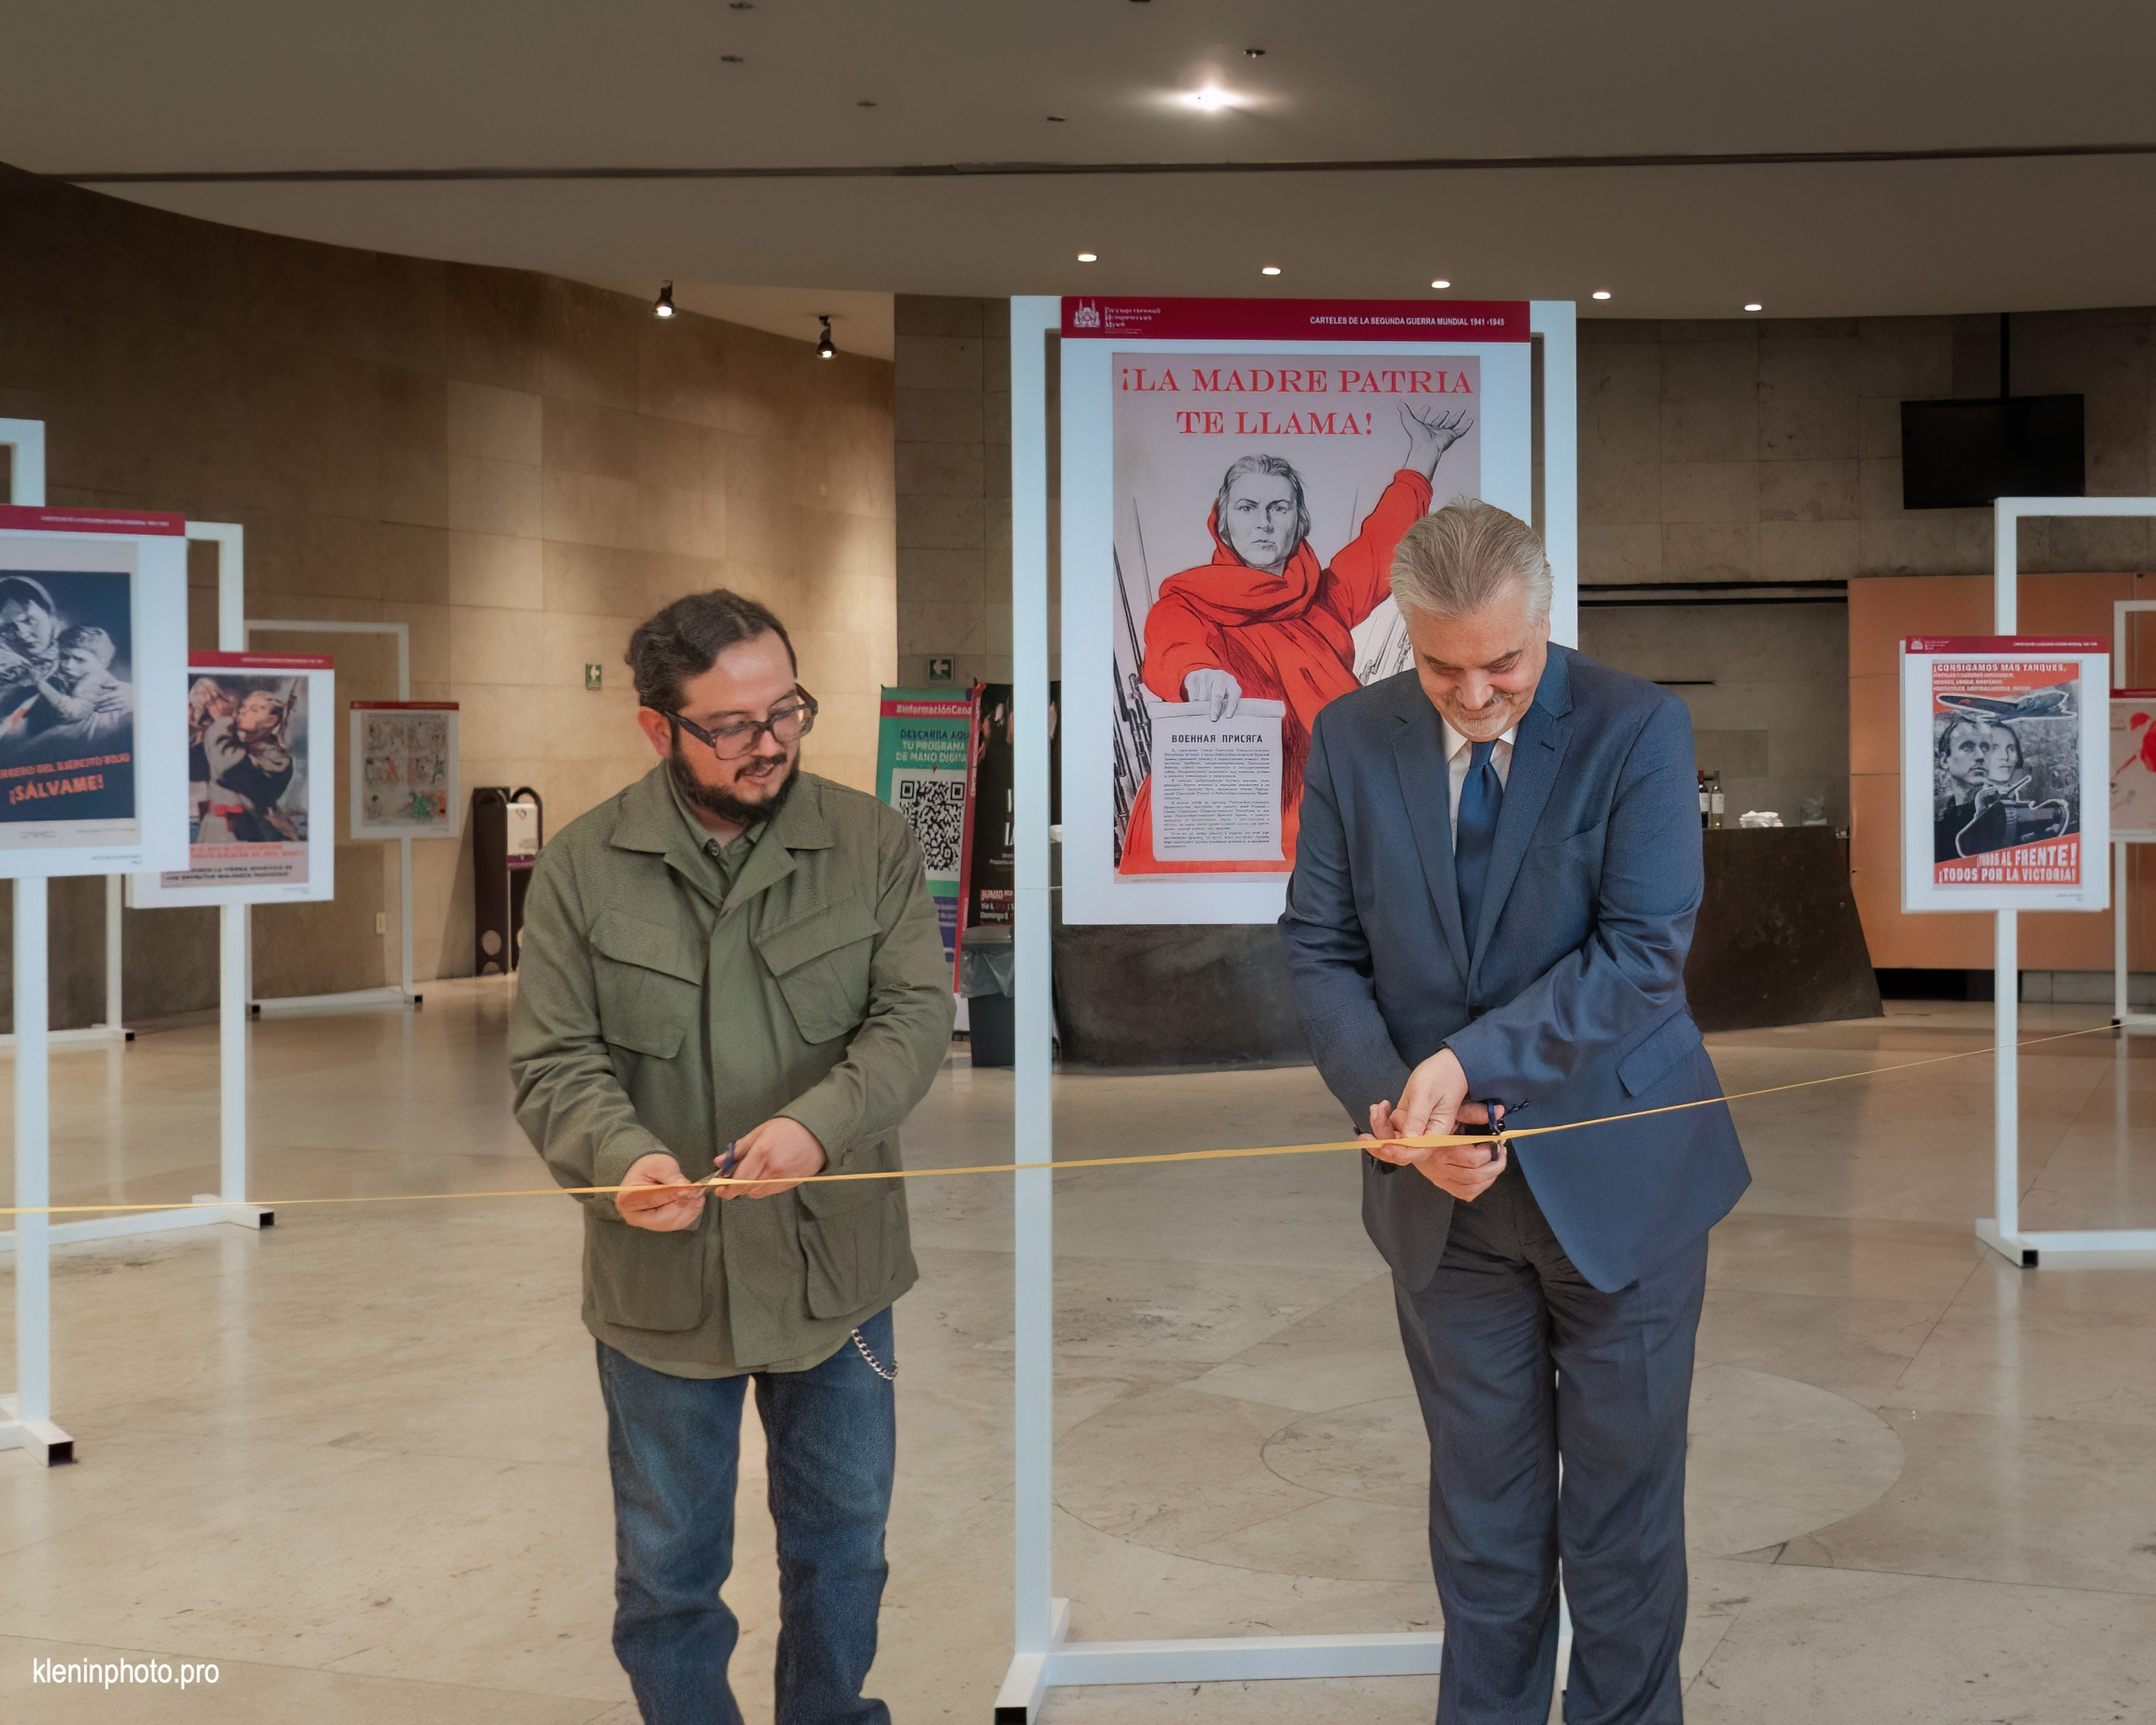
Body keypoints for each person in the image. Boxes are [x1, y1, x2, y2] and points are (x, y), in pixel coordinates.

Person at [1278, 500, 1749, 1723]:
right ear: (1405, 636)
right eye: (1442, 665)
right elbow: (1320, 950)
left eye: (1505, 663)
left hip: (1626, 1197)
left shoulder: (1636, 728)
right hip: (1449, 1216)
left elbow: (1644, 955)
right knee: (1483, 1534)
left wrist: (1469, 1064)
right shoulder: (1349, 738)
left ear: (1545, 623)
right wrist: (1395, 1108)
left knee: (1622, 1531)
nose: (1476, 692)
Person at [509, 589, 953, 1725]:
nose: (770, 744)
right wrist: (618, 1158)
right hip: (662, 1287)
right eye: (734, 725)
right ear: (658, 729)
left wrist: (821, 1125)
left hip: (835, 1275)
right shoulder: (580, 868)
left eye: (787, 711)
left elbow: (909, 1019)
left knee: (843, 1548)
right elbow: (555, 1061)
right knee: (667, 1579)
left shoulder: (870, 843)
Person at [1117, 403, 1472, 873]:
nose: (1263, 522)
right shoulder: (1187, 600)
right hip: (1226, 809)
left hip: (1323, 807)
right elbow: (1173, 645)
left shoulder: (1323, 597)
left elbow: (1382, 545)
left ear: (1298, 520)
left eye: (1278, 508)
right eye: (1247, 508)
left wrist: (1424, 454)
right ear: (1223, 522)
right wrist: (1197, 675)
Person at [197, 686, 299, 843]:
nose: (242, 711)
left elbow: (228, 767)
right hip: (213, 829)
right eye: (244, 706)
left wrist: (222, 720)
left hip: (245, 834)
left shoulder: (278, 758)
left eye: (255, 709)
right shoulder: (237, 743)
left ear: (271, 720)